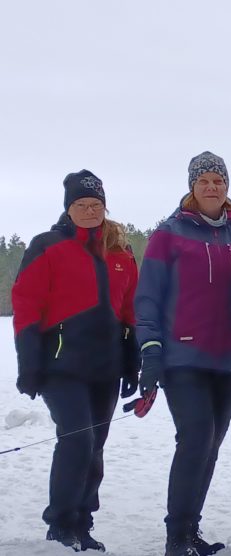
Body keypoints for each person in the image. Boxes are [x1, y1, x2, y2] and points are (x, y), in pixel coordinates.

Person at [12, 170, 139, 551]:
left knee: (95, 444)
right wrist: (29, 364)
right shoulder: (47, 245)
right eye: (81, 205)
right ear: (68, 209)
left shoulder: (119, 250)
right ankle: (61, 522)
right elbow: (26, 305)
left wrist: (132, 360)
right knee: (77, 439)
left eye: (95, 204)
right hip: (60, 366)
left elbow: (131, 309)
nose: (89, 211)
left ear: (104, 206)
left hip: (106, 367)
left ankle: (83, 522)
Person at [135, 152, 231, 556]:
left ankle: (190, 531)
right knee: (196, 437)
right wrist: (149, 350)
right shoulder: (170, 233)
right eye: (205, 181)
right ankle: (176, 536)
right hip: (183, 358)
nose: (213, 187)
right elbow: (148, 297)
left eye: (219, 180)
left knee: (211, 443)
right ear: (192, 187)